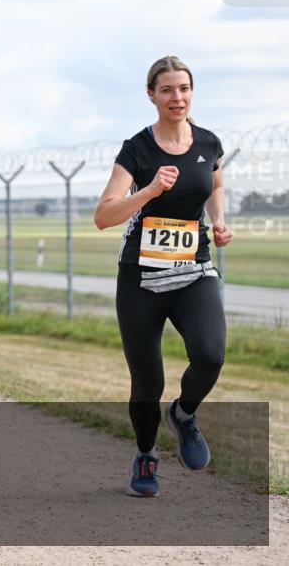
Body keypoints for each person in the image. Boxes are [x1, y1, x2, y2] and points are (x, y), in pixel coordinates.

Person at [94, 56, 232, 498]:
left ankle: (185, 414)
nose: (178, 97)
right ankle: (147, 454)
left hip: (194, 270)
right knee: (148, 381)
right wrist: (150, 189)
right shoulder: (137, 149)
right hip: (141, 278)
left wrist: (220, 220)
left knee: (210, 355)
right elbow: (103, 216)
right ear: (151, 95)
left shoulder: (209, 142)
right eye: (168, 90)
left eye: (185, 88)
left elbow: (215, 186)